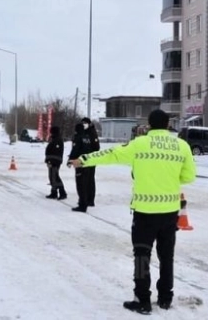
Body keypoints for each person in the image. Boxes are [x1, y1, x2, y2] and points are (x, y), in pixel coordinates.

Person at [69, 109, 196, 314]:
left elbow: (110, 154)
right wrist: (169, 179)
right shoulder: (182, 146)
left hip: (145, 212)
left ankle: (142, 300)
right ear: (167, 125)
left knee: (141, 256)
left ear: (149, 125)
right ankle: (165, 298)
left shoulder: (139, 144)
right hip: (169, 212)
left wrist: (83, 160)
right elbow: (189, 177)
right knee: (167, 257)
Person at [67, 122, 94, 212]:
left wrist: (70, 160)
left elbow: (75, 150)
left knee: (80, 184)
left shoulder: (78, 138)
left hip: (79, 163)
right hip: (88, 162)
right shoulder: (87, 138)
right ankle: (84, 202)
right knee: (86, 184)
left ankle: (82, 204)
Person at [81, 117, 100, 206]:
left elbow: (96, 147)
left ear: (89, 124)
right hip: (83, 159)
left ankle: (90, 199)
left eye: (85, 123)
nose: (83, 124)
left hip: (91, 159)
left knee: (90, 179)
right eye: (82, 123)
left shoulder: (92, 133)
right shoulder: (83, 132)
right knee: (84, 180)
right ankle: (85, 198)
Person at [44, 126, 67, 200]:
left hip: (55, 161)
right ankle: (54, 192)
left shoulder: (57, 140)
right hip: (51, 160)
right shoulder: (53, 139)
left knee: (55, 177)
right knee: (52, 177)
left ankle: (62, 192)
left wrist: (51, 160)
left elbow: (56, 152)